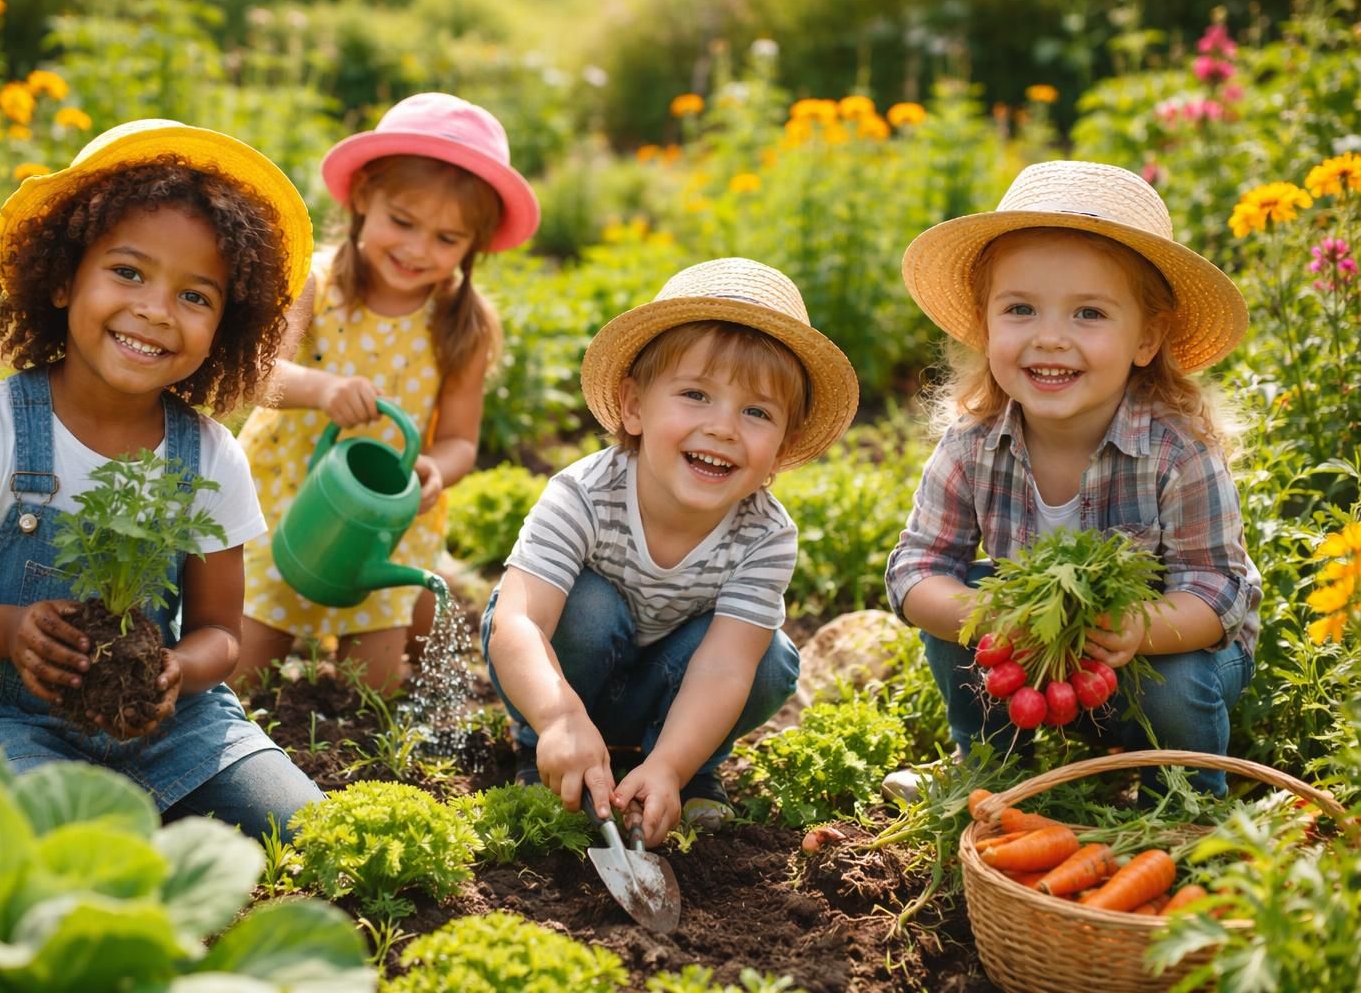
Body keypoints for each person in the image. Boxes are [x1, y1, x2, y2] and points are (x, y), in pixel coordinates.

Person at [0, 119, 323, 840]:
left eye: (195, 296)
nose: (154, 310)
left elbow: (219, 634)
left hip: (169, 726)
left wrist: (179, 670)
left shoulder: (208, 457)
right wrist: (8, 628)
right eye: (128, 272)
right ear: (60, 279)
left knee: (303, 826)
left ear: (225, 330)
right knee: (80, 844)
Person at [883, 160, 1261, 798]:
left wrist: (1141, 628)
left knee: (1174, 680)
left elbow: (1220, 589)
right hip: (1038, 666)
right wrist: (989, 616)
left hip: (1158, 659)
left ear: (1147, 338)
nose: (1050, 338)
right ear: (985, 325)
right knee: (961, 620)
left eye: (1088, 313)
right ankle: (990, 769)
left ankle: (1188, 796)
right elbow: (914, 570)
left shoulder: (1176, 452)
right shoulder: (973, 443)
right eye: (1021, 309)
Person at [482, 257, 859, 844]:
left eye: (757, 412)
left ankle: (678, 772)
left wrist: (671, 764)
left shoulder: (765, 535)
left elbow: (724, 667)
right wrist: (557, 717)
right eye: (695, 395)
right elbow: (519, 621)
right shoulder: (584, 495)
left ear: (784, 446)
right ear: (634, 407)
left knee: (768, 659)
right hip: (562, 684)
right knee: (587, 606)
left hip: (667, 694)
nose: (724, 428)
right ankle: (543, 751)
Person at [234, 92, 540, 694]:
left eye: (447, 239)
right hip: (283, 501)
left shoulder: (462, 322)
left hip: (384, 525)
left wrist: (434, 470)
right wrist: (321, 389)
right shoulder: (315, 285)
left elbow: (459, 441)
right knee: (239, 678)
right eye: (402, 222)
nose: (418, 249)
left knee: (369, 692)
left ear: (474, 246)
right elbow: (258, 375)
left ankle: (421, 629)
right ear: (364, 195)